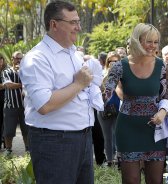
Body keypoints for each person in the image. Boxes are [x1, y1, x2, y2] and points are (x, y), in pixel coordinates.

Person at [19, 1, 96, 183]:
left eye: (78, 22)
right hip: (54, 142)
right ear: (54, 24)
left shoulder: (74, 54)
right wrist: (79, 84)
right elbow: (44, 105)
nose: (78, 27)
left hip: (83, 137)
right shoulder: (37, 58)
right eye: (72, 22)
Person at [103, 23, 168, 183]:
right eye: (148, 41)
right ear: (137, 41)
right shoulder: (119, 66)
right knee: (131, 181)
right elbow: (105, 94)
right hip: (128, 130)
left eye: (156, 42)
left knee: (155, 180)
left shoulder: (161, 66)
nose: (153, 46)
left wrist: (163, 112)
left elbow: (165, 97)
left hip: (154, 131)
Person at [2, 51, 28, 157]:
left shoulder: (26, 71)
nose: (18, 60)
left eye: (21, 58)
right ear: (12, 59)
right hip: (10, 106)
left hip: (24, 106)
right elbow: (8, 85)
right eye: (16, 58)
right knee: (8, 131)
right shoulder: (6, 71)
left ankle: (28, 150)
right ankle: (8, 150)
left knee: (26, 130)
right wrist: (23, 85)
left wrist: (22, 73)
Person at [97, 51, 121, 166]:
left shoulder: (123, 73)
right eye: (111, 61)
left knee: (118, 134)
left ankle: (118, 159)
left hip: (118, 107)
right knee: (107, 136)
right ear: (107, 62)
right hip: (104, 107)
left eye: (116, 61)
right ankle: (110, 160)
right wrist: (108, 75)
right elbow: (100, 89)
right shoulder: (102, 73)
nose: (114, 63)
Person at [0, 54, 6, 149]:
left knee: (5, 123)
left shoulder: (5, 71)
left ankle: (5, 143)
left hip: (6, 100)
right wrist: (6, 85)